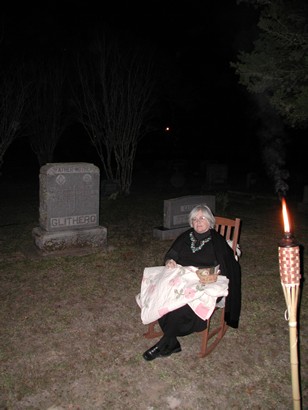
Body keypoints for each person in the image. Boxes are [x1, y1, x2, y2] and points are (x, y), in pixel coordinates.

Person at [142, 204, 241, 361]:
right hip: (182, 275)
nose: (198, 222)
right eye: (194, 219)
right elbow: (172, 253)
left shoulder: (217, 241)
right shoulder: (185, 236)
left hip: (203, 279)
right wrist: (170, 261)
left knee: (183, 302)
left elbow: (228, 265)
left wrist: (216, 272)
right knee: (161, 292)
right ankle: (171, 341)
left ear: (209, 221)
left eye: (202, 218)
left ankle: (166, 342)